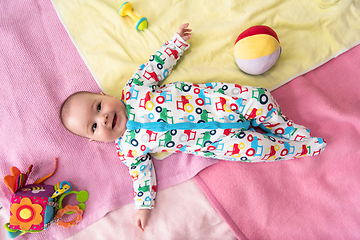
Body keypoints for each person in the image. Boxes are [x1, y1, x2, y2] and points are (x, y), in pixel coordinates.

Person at [60, 23, 326, 231]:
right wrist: (144, 206)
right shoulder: (128, 149)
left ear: (104, 96)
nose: (103, 119)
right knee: (256, 150)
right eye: (93, 127)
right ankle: (298, 147)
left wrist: (176, 44)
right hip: (218, 141)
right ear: (95, 140)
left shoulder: (135, 89)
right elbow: (141, 177)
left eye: (98, 107)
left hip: (220, 103)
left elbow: (155, 66)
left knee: (261, 98)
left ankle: (285, 129)